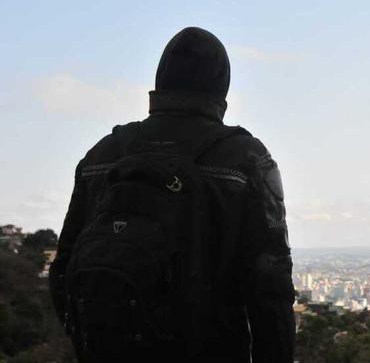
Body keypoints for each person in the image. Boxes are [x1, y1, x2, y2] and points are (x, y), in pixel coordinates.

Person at [48, 27, 295, 362]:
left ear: (160, 82)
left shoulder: (102, 155)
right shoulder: (245, 159)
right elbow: (270, 288)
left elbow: (64, 270)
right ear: (221, 88)